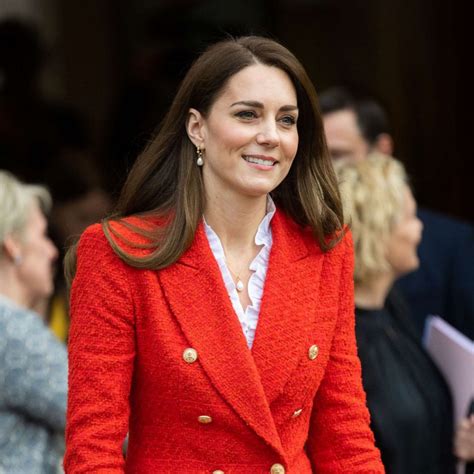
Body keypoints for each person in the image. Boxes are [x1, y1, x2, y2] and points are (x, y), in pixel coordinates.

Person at [64, 36, 384, 473]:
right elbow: (92, 451)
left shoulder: (326, 248)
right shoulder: (119, 253)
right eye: (247, 114)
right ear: (197, 127)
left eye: (287, 120)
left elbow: (345, 432)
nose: (270, 136)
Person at [334, 153, 474, 473]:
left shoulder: (391, 308)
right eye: (410, 216)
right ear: (379, 232)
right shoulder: (346, 339)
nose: (419, 227)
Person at [320, 86, 474, 340]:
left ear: (382, 149)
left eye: (337, 155)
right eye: (315, 157)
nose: (325, 170)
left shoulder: (450, 243)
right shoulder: (297, 240)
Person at [0, 170, 67, 473]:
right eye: (42, 235)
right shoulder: (10, 330)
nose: (53, 251)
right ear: (12, 244)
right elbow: (95, 414)